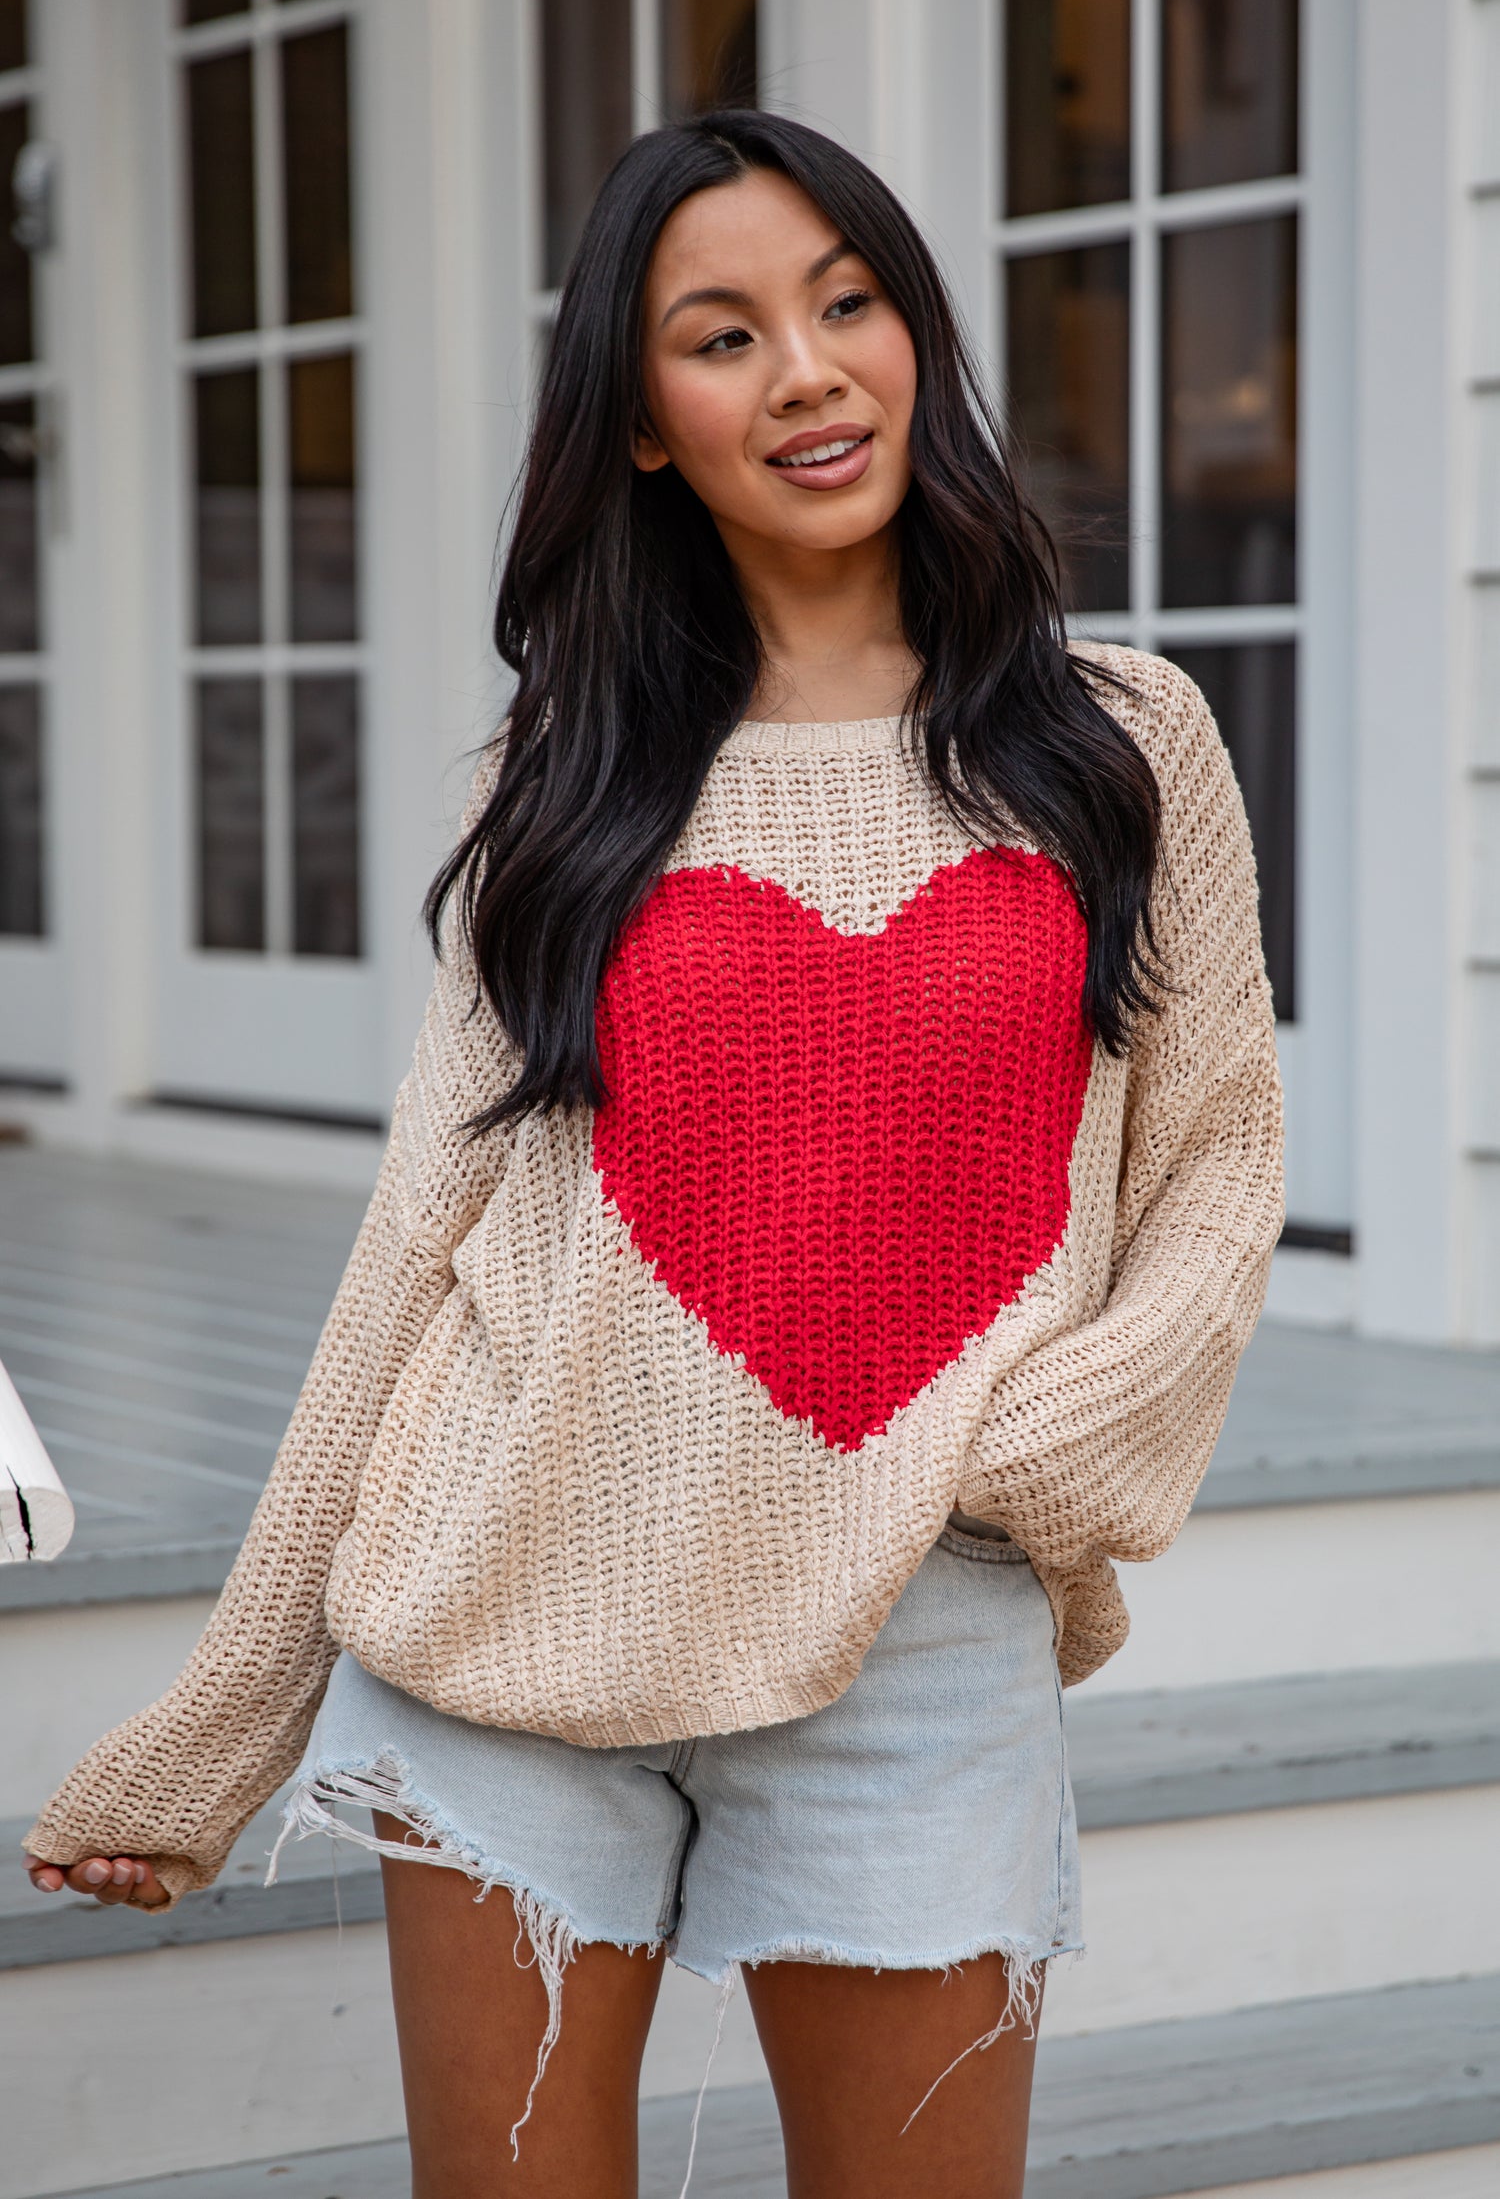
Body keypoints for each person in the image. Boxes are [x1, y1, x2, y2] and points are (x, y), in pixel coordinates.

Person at [23, 111, 1283, 2199]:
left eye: (848, 301)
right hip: (509, 1625)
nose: (806, 370)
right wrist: (226, 1718)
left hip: (916, 1621)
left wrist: (1069, 1431)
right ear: (635, 424)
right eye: (723, 335)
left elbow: (1221, 1155)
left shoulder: (1118, 743)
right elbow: (420, 1246)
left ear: (912, 332)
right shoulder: (574, 783)